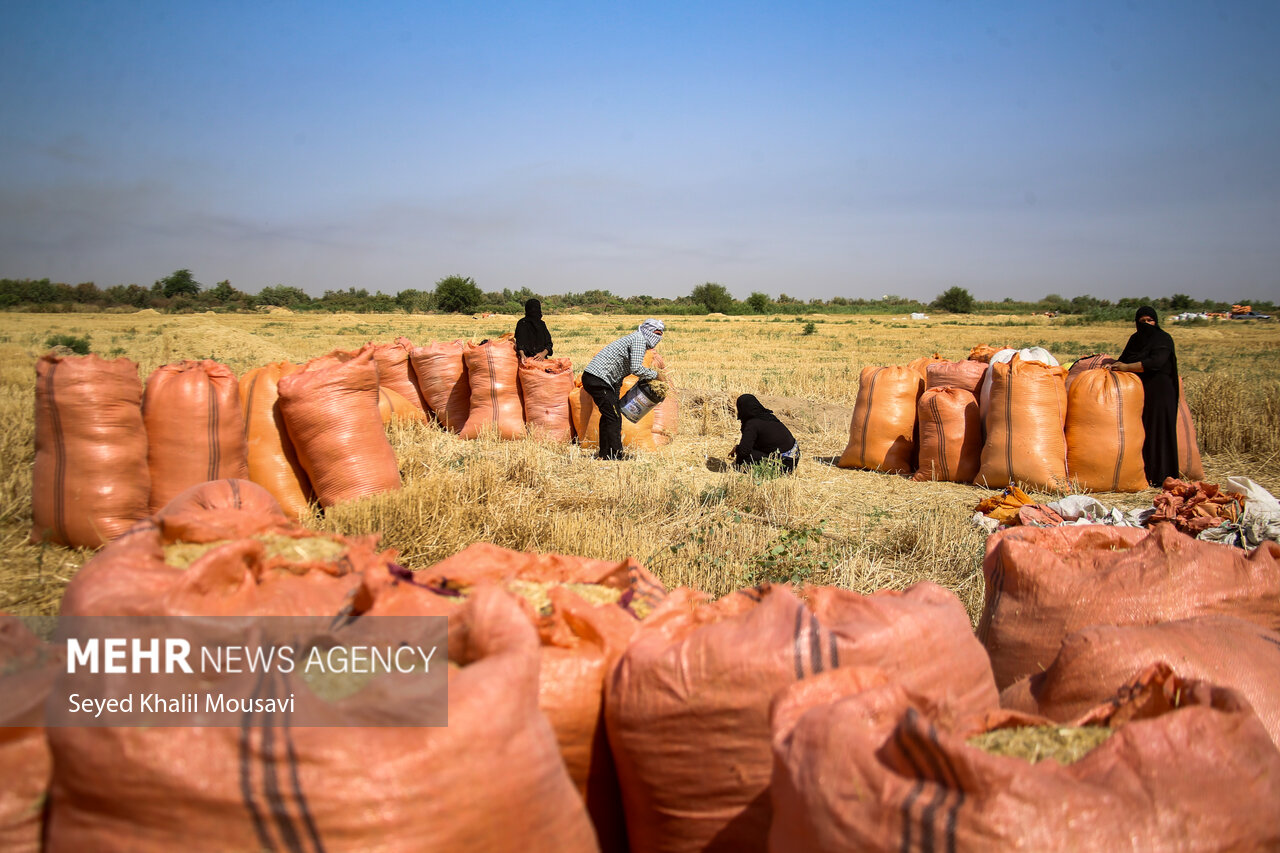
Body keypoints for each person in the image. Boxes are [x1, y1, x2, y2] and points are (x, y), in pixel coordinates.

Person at [1108, 305, 1179, 486]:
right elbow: (1123, 358)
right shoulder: (1135, 339)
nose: (1146, 324)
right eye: (1142, 321)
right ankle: (1144, 474)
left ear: (1156, 321)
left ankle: (1163, 476)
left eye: (1150, 320)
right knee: (1142, 432)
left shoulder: (1163, 339)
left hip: (1160, 392)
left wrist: (1126, 367)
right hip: (1139, 392)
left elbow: (1155, 363)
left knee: (1159, 432)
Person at [581, 318, 665, 460]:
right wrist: (656, 375)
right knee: (614, 417)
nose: (658, 338)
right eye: (656, 333)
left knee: (609, 415)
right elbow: (636, 368)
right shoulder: (639, 339)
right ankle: (615, 455)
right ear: (647, 331)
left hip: (601, 380)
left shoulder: (637, 339)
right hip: (598, 379)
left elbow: (619, 371)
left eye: (660, 335)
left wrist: (616, 394)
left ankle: (605, 454)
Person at [728, 394, 799, 474]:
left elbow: (744, 451)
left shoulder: (752, 424)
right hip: (794, 460)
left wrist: (738, 449)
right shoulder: (767, 417)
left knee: (745, 458)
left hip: (783, 465)